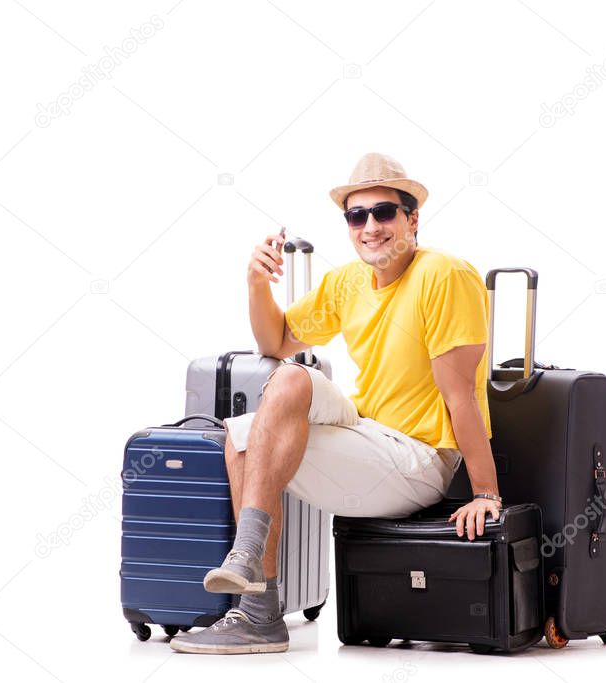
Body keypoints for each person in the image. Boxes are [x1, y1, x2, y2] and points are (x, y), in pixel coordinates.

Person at [170, 152, 501, 655]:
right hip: (367, 436)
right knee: (257, 415)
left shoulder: (444, 276)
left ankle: (251, 582)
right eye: (357, 215)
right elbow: (275, 339)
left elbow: (461, 395)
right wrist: (257, 283)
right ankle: (256, 599)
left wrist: (486, 493)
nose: (370, 226)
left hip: (419, 459)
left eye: (384, 213)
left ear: (413, 219)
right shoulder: (347, 282)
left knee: (267, 412)